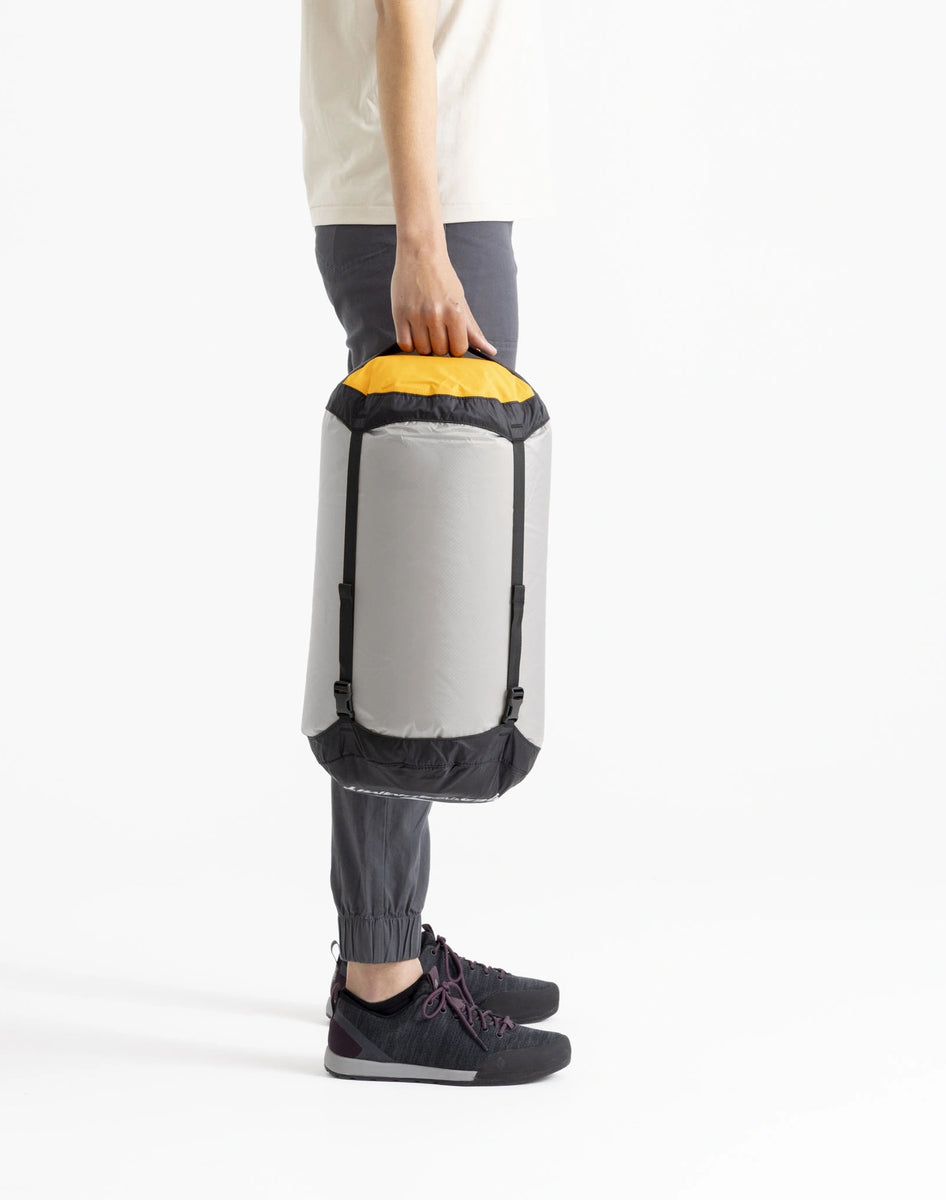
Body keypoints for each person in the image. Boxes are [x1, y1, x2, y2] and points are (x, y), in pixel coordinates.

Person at [300, 0, 571, 1085]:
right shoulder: (420, 229)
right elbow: (402, 25)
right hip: (421, 215)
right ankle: (381, 986)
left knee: (420, 583)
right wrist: (422, 241)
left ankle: (389, 940)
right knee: (412, 601)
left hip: (432, 204)